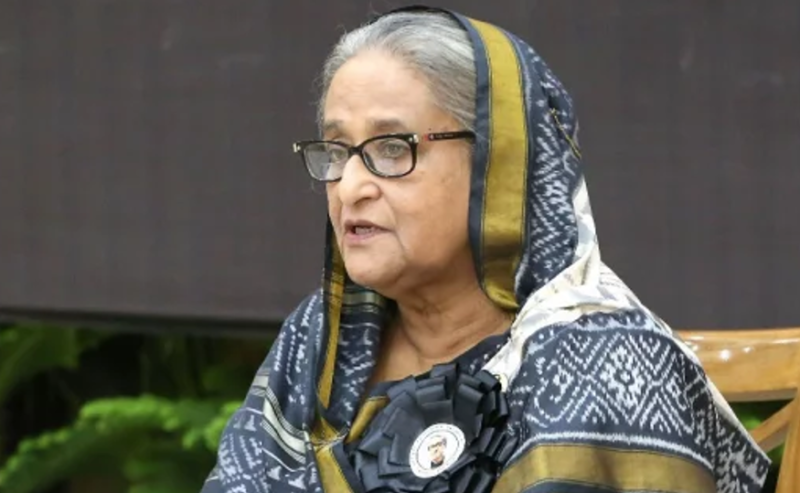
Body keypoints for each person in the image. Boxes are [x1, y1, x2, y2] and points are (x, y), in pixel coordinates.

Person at [201, 5, 770, 493]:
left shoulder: (606, 360)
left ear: (500, 162)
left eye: (392, 147)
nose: (350, 187)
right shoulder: (319, 340)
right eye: (337, 151)